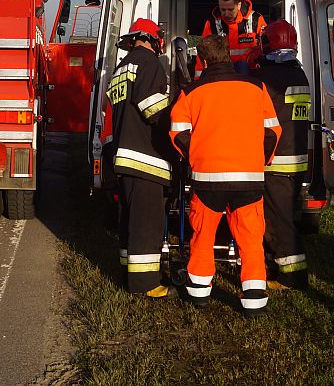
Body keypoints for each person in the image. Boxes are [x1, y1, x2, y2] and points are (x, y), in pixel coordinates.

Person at [170, 35, 281, 316]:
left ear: (203, 61)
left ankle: (199, 294)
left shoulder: (191, 91)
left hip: (207, 179)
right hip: (249, 178)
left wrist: (195, 157)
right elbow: (272, 131)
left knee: (203, 237)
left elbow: (177, 132)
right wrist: (259, 161)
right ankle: (255, 300)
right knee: (251, 240)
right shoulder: (257, 87)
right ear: (229, 56)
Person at [100, 18, 175, 298]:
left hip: (124, 155)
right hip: (146, 157)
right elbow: (152, 109)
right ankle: (146, 285)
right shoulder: (150, 63)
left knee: (129, 219)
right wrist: (177, 124)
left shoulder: (122, 67)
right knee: (146, 223)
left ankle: (126, 271)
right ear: (153, 39)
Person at [252, 20, 311, 289]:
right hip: (296, 157)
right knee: (288, 215)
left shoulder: (268, 77)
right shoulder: (299, 74)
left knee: (278, 219)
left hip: (275, 159)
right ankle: (283, 267)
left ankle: (291, 276)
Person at [197, 0, 267, 75]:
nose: (226, 14)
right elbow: (203, 52)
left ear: (239, 5)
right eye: (223, 10)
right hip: (223, 73)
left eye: (230, 9)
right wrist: (199, 79)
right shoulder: (211, 24)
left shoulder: (256, 19)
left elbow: (267, 47)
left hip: (251, 73)